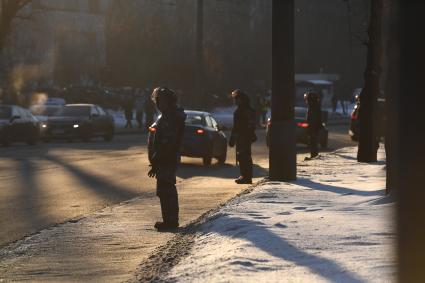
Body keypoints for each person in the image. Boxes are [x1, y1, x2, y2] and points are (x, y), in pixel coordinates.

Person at [147, 87, 186, 231]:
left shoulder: (171, 117)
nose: (158, 103)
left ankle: (170, 221)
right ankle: (169, 220)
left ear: (168, 102)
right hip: (166, 158)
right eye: (157, 101)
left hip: (167, 159)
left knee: (166, 190)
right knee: (164, 190)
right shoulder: (169, 116)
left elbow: (167, 143)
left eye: (160, 101)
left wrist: (157, 160)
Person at [229, 89, 257, 184]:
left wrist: (232, 139)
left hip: (242, 137)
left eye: (236, 99)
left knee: (242, 156)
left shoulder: (240, 111)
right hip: (247, 137)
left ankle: (245, 176)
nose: (235, 101)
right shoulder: (249, 110)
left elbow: (236, 127)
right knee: (246, 156)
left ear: (240, 99)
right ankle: (246, 176)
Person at [304, 91, 322, 159]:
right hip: (314, 127)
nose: (306, 101)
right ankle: (314, 155)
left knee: (313, 142)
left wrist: (311, 129)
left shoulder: (313, 107)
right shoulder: (315, 106)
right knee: (313, 142)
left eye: (307, 99)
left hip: (313, 128)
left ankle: (314, 155)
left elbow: (313, 119)